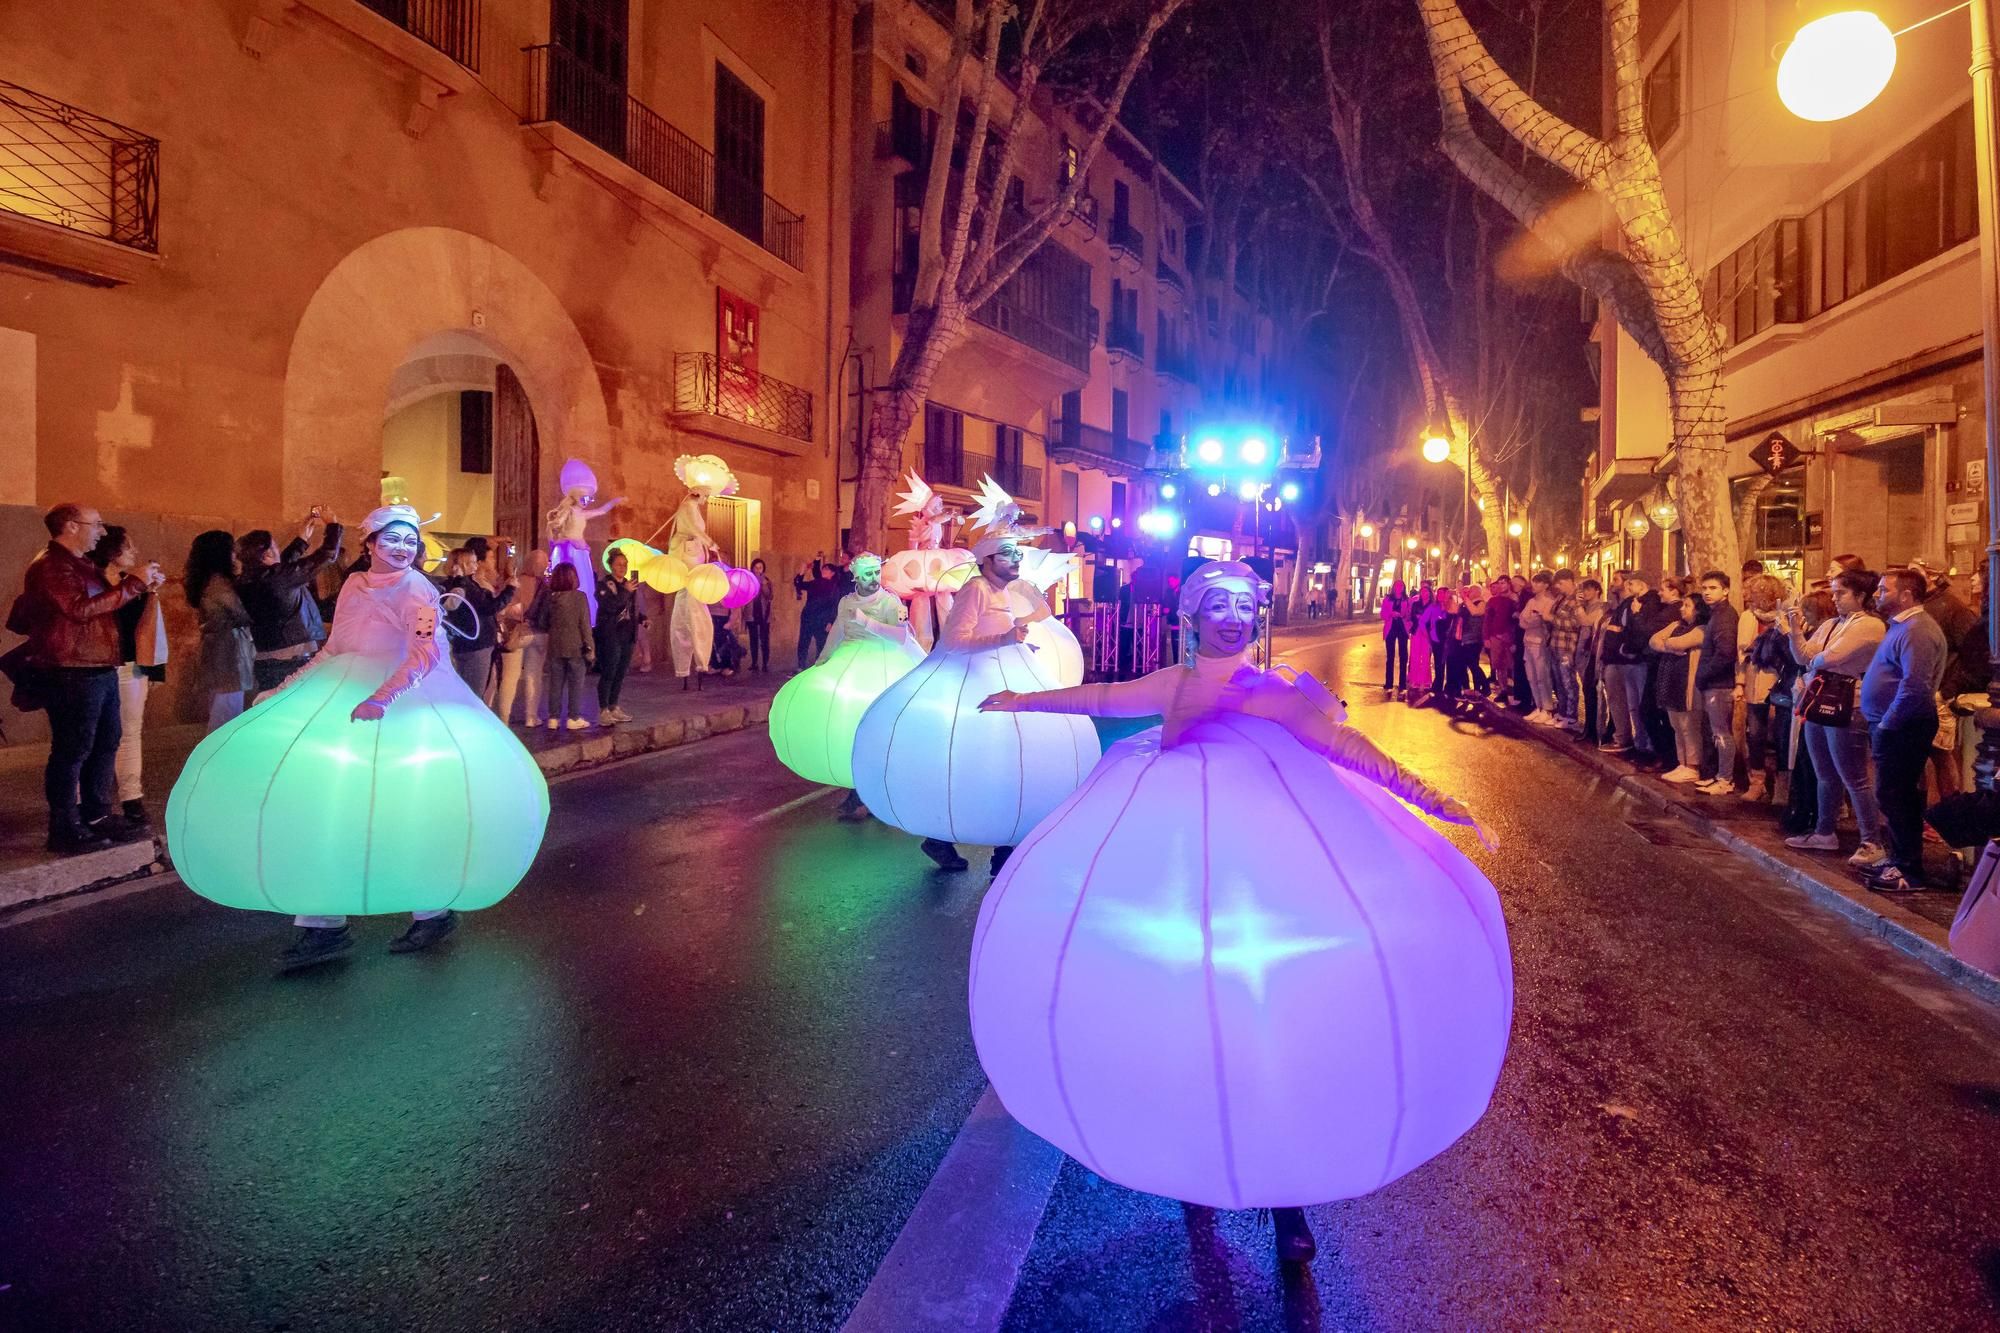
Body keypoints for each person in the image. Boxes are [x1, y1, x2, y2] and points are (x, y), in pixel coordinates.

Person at [972, 560, 1505, 1268]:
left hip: (1272, 875)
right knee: (1185, 1018)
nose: (1231, 615)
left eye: (1243, 604)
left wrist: (1441, 804)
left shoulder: (1279, 696)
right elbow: (1102, 698)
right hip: (1173, 872)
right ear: (1191, 615)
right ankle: (1196, 1162)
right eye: (1216, 603)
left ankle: (1285, 1203)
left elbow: (1352, 751)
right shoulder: (1176, 683)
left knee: (1269, 1031)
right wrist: (1021, 701)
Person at [166, 504, 549, 971]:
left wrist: (383, 698)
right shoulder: (355, 584)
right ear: (370, 544)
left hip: (408, 707)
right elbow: (336, 647)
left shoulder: (418, 593)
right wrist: (285, 689)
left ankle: (432, 909)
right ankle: (322, 925)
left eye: (411, 540)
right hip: (344, 699)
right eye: (393, 538)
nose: (404, 547)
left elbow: (425, 654)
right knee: (328, 805)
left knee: (410, 805)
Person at [8, 504, 163, 852]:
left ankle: (97, 815)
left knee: (106, 741)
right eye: (95, 525)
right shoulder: (52, 566)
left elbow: (101, 607)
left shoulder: (82, 565)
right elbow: (79, 609)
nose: (102, 532)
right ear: (71, 526)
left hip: (98, 666)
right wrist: (134, 582)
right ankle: (64, 827)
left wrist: (141, 587)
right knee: (73, 748)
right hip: (71, 669)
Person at [1783, 570, 1887, 861]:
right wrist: (1794, 629)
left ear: (1861, 596)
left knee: (1854, 777)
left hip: (1849, 706)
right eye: (1833, 592)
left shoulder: (1869, 626)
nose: (1834, 598)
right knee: (1825, 773)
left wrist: (1813, 656)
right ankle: (1824, 831)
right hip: (1820, 702)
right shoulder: (1831, 624)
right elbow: (1802, 657)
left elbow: (1823, 658)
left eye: (1841, 592)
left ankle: (1871, 842)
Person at [1859, 568, 1947, 892]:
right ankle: (1898, 859)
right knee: (1892, 794)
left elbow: (1915, 686)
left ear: (1906, 595)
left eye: (1884, 590)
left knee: (1898, 795)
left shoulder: (1918, 630)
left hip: (1904, 725)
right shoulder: (1901, 627)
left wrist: (1887, 722)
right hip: (1893, 725)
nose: (1878, 595)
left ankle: (1909, 870)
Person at [89, 526, 167, 827]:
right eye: (128, 546)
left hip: (130, 668)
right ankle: (86, 803)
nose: (134, 552)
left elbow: (147, 630)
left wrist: (149, 592)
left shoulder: (131, 585)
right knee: (92, 737)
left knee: (130, 732)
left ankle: (132, 798)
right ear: (112, 551)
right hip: (97, 667)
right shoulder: (90, 582)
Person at [236, 509, 344, 698]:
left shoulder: (247, 580)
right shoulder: (278, 578)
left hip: (265, 658)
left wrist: (301, 540)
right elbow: (327, 555)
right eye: (275, 547)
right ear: (267, 554)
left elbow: (282, 569)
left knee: (271, 708)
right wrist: (333, 526)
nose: (278, 550)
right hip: (291, 659)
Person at [1911, 558, 1978, 800]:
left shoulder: (1952, 608)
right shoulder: (1923, 606)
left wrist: (1948, 690)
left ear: (1933, 576)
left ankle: (1948, 813)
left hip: (1938, 694)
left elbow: (1974, 653)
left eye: (1916, 573)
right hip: (1920, 693)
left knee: (1940, 755)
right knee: (1915, 756)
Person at [1778, 589, 1836, 835]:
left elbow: (1808, 660)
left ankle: (1814, 815)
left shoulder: (1830, 631)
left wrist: (1792, 634)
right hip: (1805, 697)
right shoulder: (1817, 631)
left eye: (1808, 611)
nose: (1805, 616)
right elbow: (1800, 658)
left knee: (1814, 762)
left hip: (1820, 699)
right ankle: (1801, 810)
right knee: (1802, 756)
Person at [186, 530, 255, 732]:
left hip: (220, 654)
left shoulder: (211, 581)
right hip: (227, 657)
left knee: (223, 710)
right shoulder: (218, 584)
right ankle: (215, 761)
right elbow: (243, 613)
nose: (236, 555)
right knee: (226, 717)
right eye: (232, 550)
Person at [545, 458, 624, 626]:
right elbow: (556, 524)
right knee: (570, 581)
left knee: (584, 585)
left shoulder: (582, 513)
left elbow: (601, 511)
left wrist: (616, 501)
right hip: (570, 551)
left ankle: (584, 618)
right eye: (584, 498)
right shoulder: (570, 511)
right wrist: (553, 524)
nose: (586, 501)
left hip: (580, 551)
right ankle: (569, 617)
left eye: (588, 499)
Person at [1738, 574, 1790, 803]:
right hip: (1756, 682)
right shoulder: (1748, 617)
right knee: (1756, 735)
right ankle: (1757, 782)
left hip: (1781, 684)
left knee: (1781, 736)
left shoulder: (1785, 617)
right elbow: (1740, 654)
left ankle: (1782, 786)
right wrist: (1739, 683)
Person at [1649, 581, 1708, 783]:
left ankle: (1692, 766)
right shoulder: (1677, 625)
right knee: (1676, 724)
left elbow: (1678, 642)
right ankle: (1681, 763)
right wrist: (1669, 647)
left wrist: (1668, 644)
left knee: (1688, 726)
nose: (1682, 609)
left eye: (1687, 606)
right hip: (1671, 681)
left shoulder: (1701, 629)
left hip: (1687, 685)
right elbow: (1654, 640)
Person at [1693, 571, 1743, 796]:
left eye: (1712, 588)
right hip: (1714, 683)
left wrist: (1704, 676)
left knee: (1722, 733)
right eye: (1704, 588)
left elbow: (1725, 653)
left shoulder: (1725, 617)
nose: (1706, 592)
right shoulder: (1717, 614)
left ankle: (1725, 779)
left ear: (1725, 590)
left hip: (1719, 685)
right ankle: (1719, 776)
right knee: (1717, 732)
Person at [1598, 572, 1658, 759]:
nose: (1628, 587)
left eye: (1631, 584)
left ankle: (1646, 744)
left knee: (1639, 704)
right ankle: (1632, 740)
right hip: (1618, 658)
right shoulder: (1628, 603)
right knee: (1628, 704)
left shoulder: (1649, 603)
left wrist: (1628, 648)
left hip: (1634, 661)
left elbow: (1639, 631)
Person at [441, 547, 514, 698]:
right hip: (477, 642)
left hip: (462, 641)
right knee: (474, 691)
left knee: (464, 688)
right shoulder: (466, 586)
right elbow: (489, 607)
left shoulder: (450, 584)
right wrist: (510, 590)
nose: (476, 566)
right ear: (463, 565)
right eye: (472, 563)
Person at [493, 547, 548, 728]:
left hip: (516, 632)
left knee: (510, 676)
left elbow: (502, 608)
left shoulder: (515, 582)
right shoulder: (545, 586)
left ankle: (504, 718)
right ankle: (531, 717)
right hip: (539, 633)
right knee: (534, 675)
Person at [544, 561, 595, 731]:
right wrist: (590, 647)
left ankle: (553, 718)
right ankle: (573, 717)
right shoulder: (579, 597)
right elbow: (585, 625)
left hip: (555, 646)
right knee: (576, 684)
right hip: (575, 647)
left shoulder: (550, 598)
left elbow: (545, 621)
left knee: (555, 684)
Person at [594, 549, 642, 721]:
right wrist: (626, 591)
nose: (622, 568)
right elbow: (610, 606)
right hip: (610, 634)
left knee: (621, 672)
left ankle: (614, 705)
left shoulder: (628, 584)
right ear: (611, 566)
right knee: (610, 670)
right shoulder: (605, 585)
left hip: (627, 634)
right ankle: (603, 709)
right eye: (619, 565)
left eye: (625, 565)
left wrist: (642, 619)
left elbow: (630, 608)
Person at [794, 554, 847, 669]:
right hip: (808, 616)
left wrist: (831, 621)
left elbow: (834, 604)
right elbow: (799, 584)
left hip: (822, 619)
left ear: (832, 573)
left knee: (821, 643)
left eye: (827, 569)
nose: (824, 571)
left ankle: (820, 666)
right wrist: (802, 572)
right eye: (824, 569)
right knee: (803, 642)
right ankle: (801, 666)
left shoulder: (834, 586)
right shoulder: (815, 583)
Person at [1546, 570, 1582, 731]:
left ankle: (1571, 716)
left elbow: (1575, 623)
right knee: (1558, 680)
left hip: (1567, 647)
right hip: (1555, 644)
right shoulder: (1561, 598)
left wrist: (1552, 619)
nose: (1558, 587)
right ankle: (1562, 711)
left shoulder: (1577, 599)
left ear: (1569, 581)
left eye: (1561, 583)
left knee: (1568, 681)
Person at [1519, 571, 1557, 723]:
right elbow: (1522, 620)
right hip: (1527, 640)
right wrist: (1531, 619)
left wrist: (1532, 620)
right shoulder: (1531, 601)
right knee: (1531, 676)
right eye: (1533, 582)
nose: (1534, 585)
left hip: (1540, 642)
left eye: (1538, 582)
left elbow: (1540, 621)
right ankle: (1538, 705)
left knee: (1542, 676)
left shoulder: (1549, 601)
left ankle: (1547, 708)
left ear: (1546, 585)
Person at [1575, 577, 1608, 743]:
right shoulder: (1586, 607)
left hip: (1594, 655)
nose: (1586, 592)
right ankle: (1589, 728)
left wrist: (1579, 606)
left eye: (1589, 589)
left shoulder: (1602, 607)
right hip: (1584, 653)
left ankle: (1596, 729)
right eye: (1584, 589)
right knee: (1587, 692)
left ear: (1597, 591)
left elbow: (1586, 621)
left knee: (1594, 692)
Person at [1448, 586, 1489, 697]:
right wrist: (1450, 597)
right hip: (1463, 639)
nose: (1469, 592)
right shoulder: (1466, 603)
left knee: (1473, 665)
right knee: (1464, 664)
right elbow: (1454, 611)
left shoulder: (1481, 603)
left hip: (1474, 639)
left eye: (1471, 590)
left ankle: (1483, 687)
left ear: (1477, 592)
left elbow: (1475, 612)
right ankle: (1468, 688)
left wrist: (1465, 598)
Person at [1482, 577, 1517, 703]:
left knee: (1511, 665)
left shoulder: (1514, 600)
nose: (1501, 586)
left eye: (1504, 583)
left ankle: (1513, 691)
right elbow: (1487, 620)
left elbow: (1515, 621)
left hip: (1509, 637)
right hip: (1495, 636)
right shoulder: (1492, 601)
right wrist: (1486, 637)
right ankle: (1503, 690)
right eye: (1499, 583)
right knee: (1498, 664)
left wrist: (1511, 637)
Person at [1380, 578, 1412, 693]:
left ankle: (1402, 684)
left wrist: (1404, 615)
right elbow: (1382, 614)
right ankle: (1389, 683)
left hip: (1402, 629)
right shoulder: (1388, 599)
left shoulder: (1407, 600)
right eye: (1397, 585)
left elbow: (1410, 615)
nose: (1399, 587)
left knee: (1403, 656)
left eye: (1401, 586)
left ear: (1403, 588)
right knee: (1390, 657)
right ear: (1394, 587)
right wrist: (1391, 614)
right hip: (1391, 629)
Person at [1408, 583, 1439, 701]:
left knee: (1425, 657)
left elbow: (1434, 619)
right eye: (1422, 591)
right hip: (1416, 632)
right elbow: (1412, 617)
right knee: (1415, 656)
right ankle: (1414, 680)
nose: (1424, 593)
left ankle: (1425, 681)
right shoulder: (1416, 604)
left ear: (1430, 593)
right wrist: (1417, 618)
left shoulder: (1433, 605)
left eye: (1426, 591)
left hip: (1427, 633)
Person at [744, 557, 774, 672]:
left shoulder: (767, 580)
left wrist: (764, 585)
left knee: (764, 639)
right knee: (753, 639)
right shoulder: (748, 580)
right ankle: (754, 662)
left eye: (760, 568)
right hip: (751, 614)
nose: (758, 570)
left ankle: (765, 663)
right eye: (756, 567)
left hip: (764, 614)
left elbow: (769, 596)